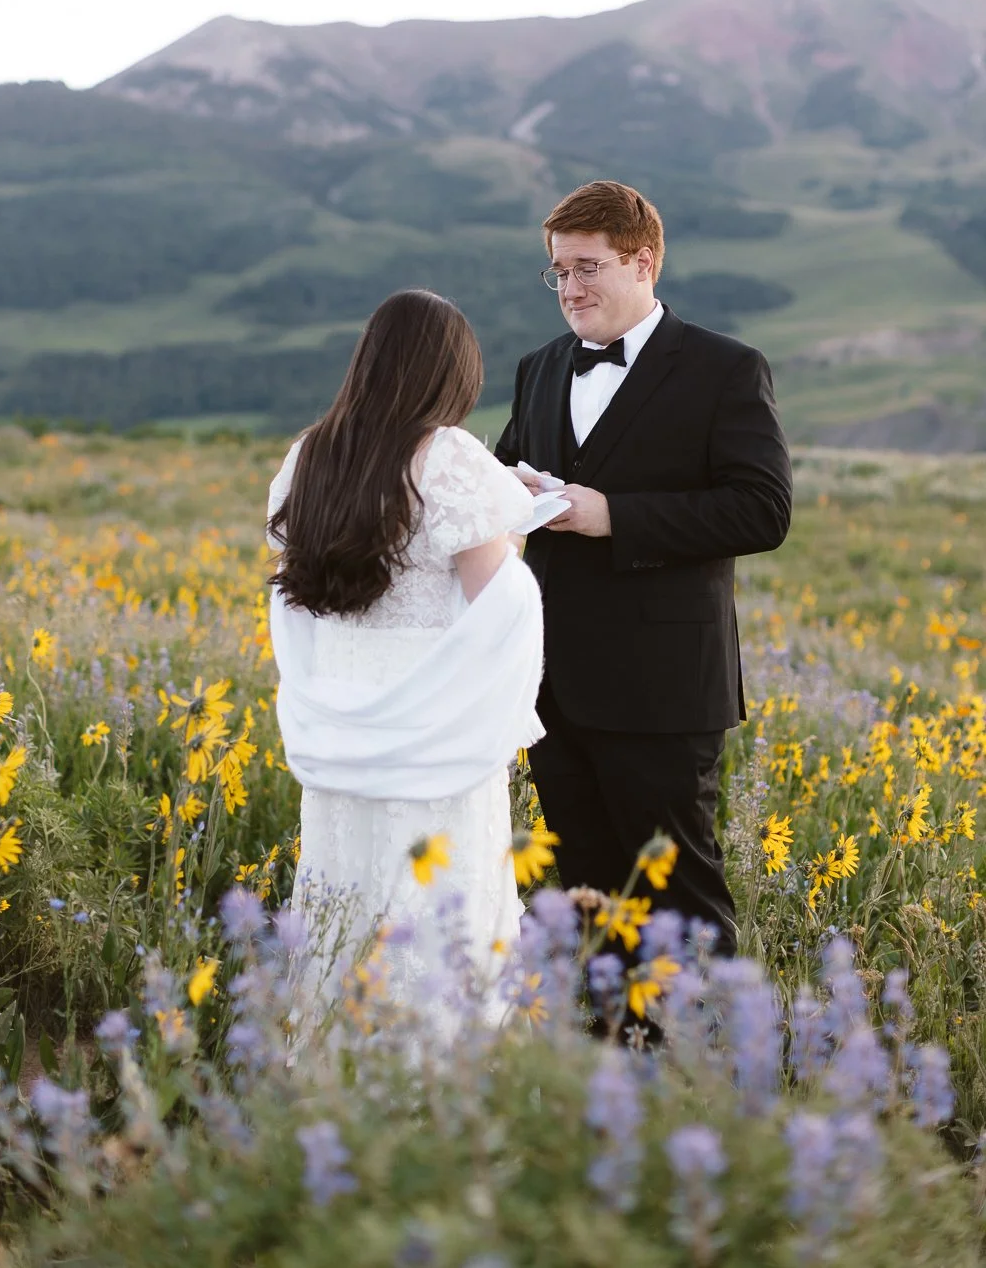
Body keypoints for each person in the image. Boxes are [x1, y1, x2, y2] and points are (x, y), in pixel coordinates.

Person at [495, 180, 793, 960]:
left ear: (644, 262)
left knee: (680, 895)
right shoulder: (539, 367)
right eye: (558, 271)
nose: (570, 288)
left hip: (663, 687)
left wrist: (613, 515)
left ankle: (705, 1066)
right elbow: (498, 474)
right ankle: (607, 1064)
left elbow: (763, 511)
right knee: (582, 896)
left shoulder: (725, 368)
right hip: (552, 684)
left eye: (588, 267)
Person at [267, 290, 544, 1033]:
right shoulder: (451, 457)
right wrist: (503, 516)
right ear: (447, 373)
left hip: (340, 713)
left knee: (344, 882)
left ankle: (337, 1051)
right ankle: (435, 1073)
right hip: (433, 719)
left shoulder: (312, 454)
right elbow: (497, 603)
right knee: (443, 884)